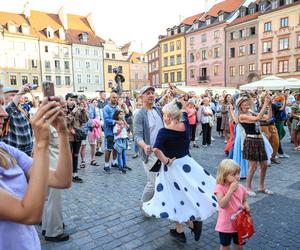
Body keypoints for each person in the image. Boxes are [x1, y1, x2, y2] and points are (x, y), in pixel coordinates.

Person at [0, 86, 72, 249]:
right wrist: (41, 143)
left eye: (2, 104)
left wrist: (62, 131)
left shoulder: (5, 150)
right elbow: (30, 214)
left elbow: (62, 179)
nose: (3, 113)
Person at [142, 100, 217, 243]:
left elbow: (157, 150)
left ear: (169, 116)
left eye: (165, 115)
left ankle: (192, 223)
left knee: (173, 198)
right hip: (186, 164)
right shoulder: (185, 125)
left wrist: (166, 160)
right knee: (180, 197)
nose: (163, 117)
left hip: (171, 169)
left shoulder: (164, 132)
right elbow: (182, 110)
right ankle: (179, 230)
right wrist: (177, 100)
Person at [42, 100, 71, 242]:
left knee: (48, 199)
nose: (65, 109)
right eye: (62, 107)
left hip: (52, 163)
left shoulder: (54, 121)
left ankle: (47, 226)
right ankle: (54, 231)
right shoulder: (47, 123)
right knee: (54, 200)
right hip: (52, 165)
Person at [133, 86, 164, 213]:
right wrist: (145, 146)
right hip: (150, 153)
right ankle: (144, 206)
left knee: (159, 180)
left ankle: (153, 204)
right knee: (154, 182)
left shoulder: (158, 110)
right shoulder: (139, 114)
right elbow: (137, 135)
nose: (151, 95)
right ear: (142, 97)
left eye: (153, 93)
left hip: (162, 151)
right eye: (148, 93)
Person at [237, 94, 273, 196]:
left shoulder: (250, 112)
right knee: (253, 167)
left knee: (264, 165)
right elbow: (257, 118)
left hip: (259, 140)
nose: (247, 104)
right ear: (240, 106)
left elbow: (268, 118)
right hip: (251, 141)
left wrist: (269, 106)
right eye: (245, 103)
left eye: (248, 102)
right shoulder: (241, 116)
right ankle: (248, 188)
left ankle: (261, 187)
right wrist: (265, 104)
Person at [215, 159, 249, 250]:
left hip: (239, 222)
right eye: (234, 174)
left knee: (239, 244)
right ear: (225, 176)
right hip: (226, 224)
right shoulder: (220, 188)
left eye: (238, 173)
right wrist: (230, 190)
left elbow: (244, 200)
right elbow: (222, 204)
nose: (238, 177)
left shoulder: (241, 187)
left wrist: (246, 204)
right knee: (225, 245)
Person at [2, 85, 33, 156]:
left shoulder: (22, 110)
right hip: (12, 152)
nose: (16, 97)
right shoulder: (4, 111)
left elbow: (29, 130)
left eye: (16, 95)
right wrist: (21, 92)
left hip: (27, 151)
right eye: (12, 95)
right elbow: (9, 109)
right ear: (3, 97)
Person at [65, 93, 88, 183]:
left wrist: (83, 112)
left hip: (77, 136)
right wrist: (73, 112)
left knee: (75, 155)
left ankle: (75, 174)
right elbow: (65, 121)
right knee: (68, 156)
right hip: (68, 136)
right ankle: (67, 174)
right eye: (71, 100)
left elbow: (85, 120)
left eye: (74, 100)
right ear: (66, 100)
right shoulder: (63, 109)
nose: (73, 102)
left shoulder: (78, 109)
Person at [103, 91, 120, 172]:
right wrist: (115, 122)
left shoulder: (117, 107)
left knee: (116, 148)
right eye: (114, 97)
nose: (115, 99)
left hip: (117, 131)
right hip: (109, 132)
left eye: (116, 97)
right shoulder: (106, 108)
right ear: (110, 98)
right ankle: (106, 165)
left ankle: (114, 162)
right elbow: (106, 120)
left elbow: (121, 116)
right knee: (109, 148)